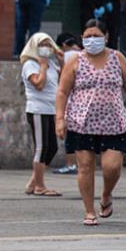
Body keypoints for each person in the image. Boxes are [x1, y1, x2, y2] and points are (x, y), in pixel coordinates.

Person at [56, 19, 126, 226]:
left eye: (96, 36)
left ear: (106, 37)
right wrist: (60, 119)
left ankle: (106, 194)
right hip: (81, 122)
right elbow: (62, 91)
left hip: (113, 123)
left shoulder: (117, 58)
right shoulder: (75, 61)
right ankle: (89, 211)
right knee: (85, 167)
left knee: (111, 167)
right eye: (87, 37)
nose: (91, 40)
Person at [21, 33, 63, 196]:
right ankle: (39, 186)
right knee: (42, 147)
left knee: (51, 146)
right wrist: (43, 66)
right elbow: (39, 84)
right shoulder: (30, 64)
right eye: (42, 44)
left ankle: (33, 181)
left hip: (51, 109)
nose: (46, 47)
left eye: (48, 43)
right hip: (37, 109)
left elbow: (64, 78)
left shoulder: (52, 64)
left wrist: (60, 58)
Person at [52, 32, 82, 174]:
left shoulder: (68, 56)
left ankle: (71, 164)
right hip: (82, 101)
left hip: (70, 101)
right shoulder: (84, 54)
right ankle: (80, 164)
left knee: (70, 136)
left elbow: (64, 79)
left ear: (63, 45)